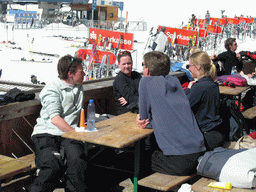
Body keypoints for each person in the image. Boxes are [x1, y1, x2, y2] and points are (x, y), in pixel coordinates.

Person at [137, 51, 206, 176]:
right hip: (199, 153)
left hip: (180, 160)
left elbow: (144, 119)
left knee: (137, 160)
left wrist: (142, 119)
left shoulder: (145, 83)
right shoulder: (174, 81)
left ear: (147, 69)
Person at [30, 55, 87, 192]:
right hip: (47, 133)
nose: (84, 73)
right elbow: (55, 118)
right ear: (70, 73)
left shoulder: (78, 87)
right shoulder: (52, 89)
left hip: (68, 134)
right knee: (52, 166)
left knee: (77, 162)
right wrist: (76, 135)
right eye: (81, 71)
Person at [185, 51, 225, 150]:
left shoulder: (199, 87)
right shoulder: (212, 84)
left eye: (190, 66)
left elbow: (183, 106)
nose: (189, 69)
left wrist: (188, 90)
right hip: (216, 133)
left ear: (198, 66)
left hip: (205, 137)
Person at [113, 51, 141, 115]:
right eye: (124, 64)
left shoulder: (137, 75)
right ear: (119, 65)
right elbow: (130, 97)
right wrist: (131, 99)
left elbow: (144, 92)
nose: (127, 66)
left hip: (138, 110)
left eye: (129, 63)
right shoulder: (119, 79)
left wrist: (129, 100)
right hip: (126, 113)